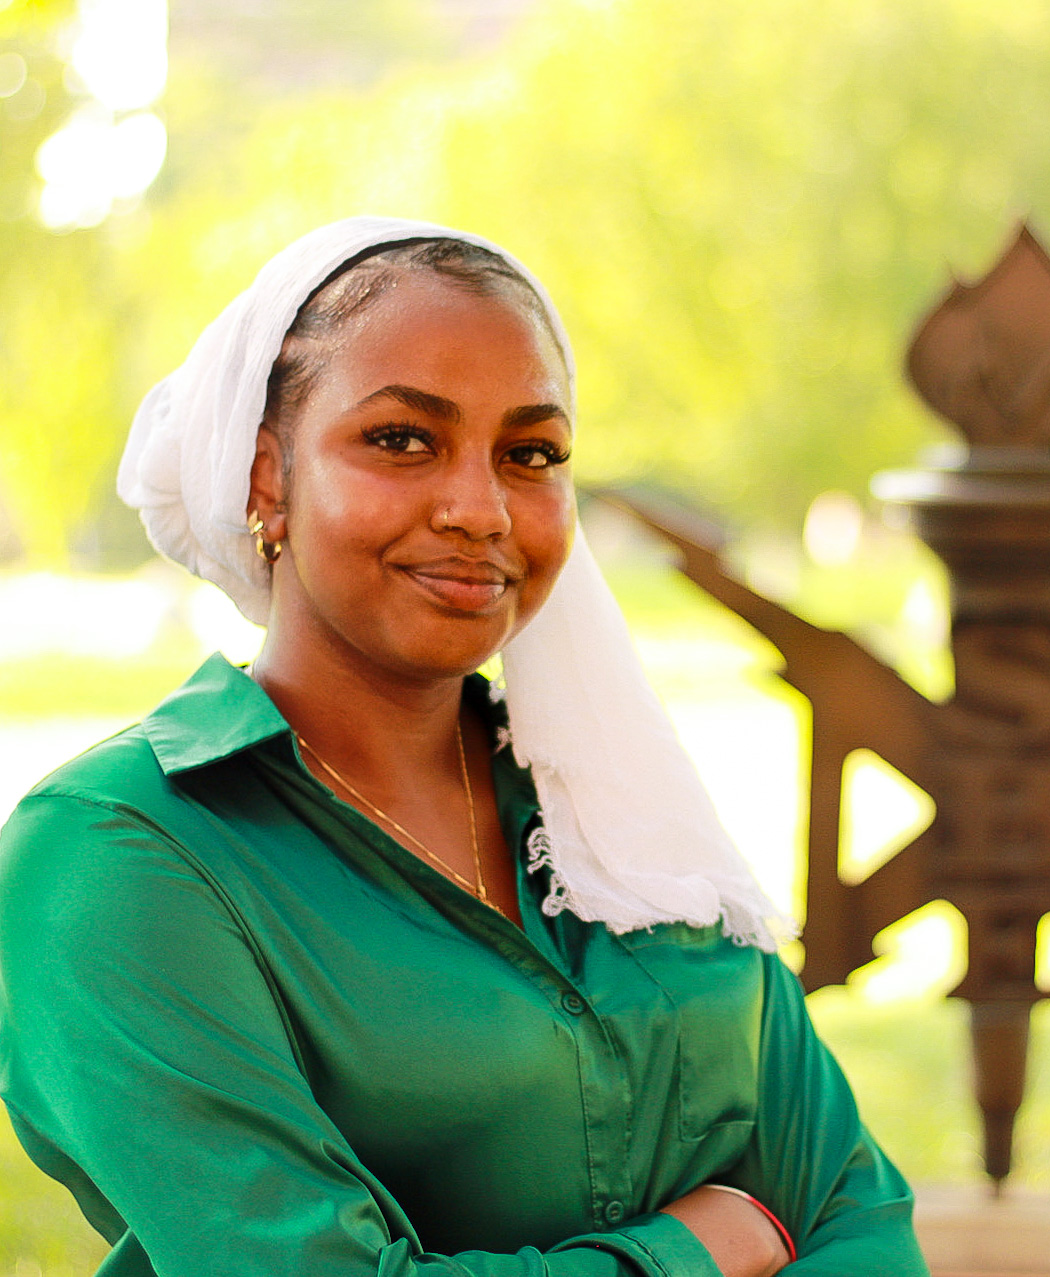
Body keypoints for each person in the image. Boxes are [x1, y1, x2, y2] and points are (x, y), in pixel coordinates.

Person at [0, 217, 929, 1277]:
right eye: (401, 439)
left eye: (529, 453)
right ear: (265, 478)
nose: (480, 509)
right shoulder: (117, 857)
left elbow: (857, 1216)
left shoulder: (617, 816)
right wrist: (680, 1252)